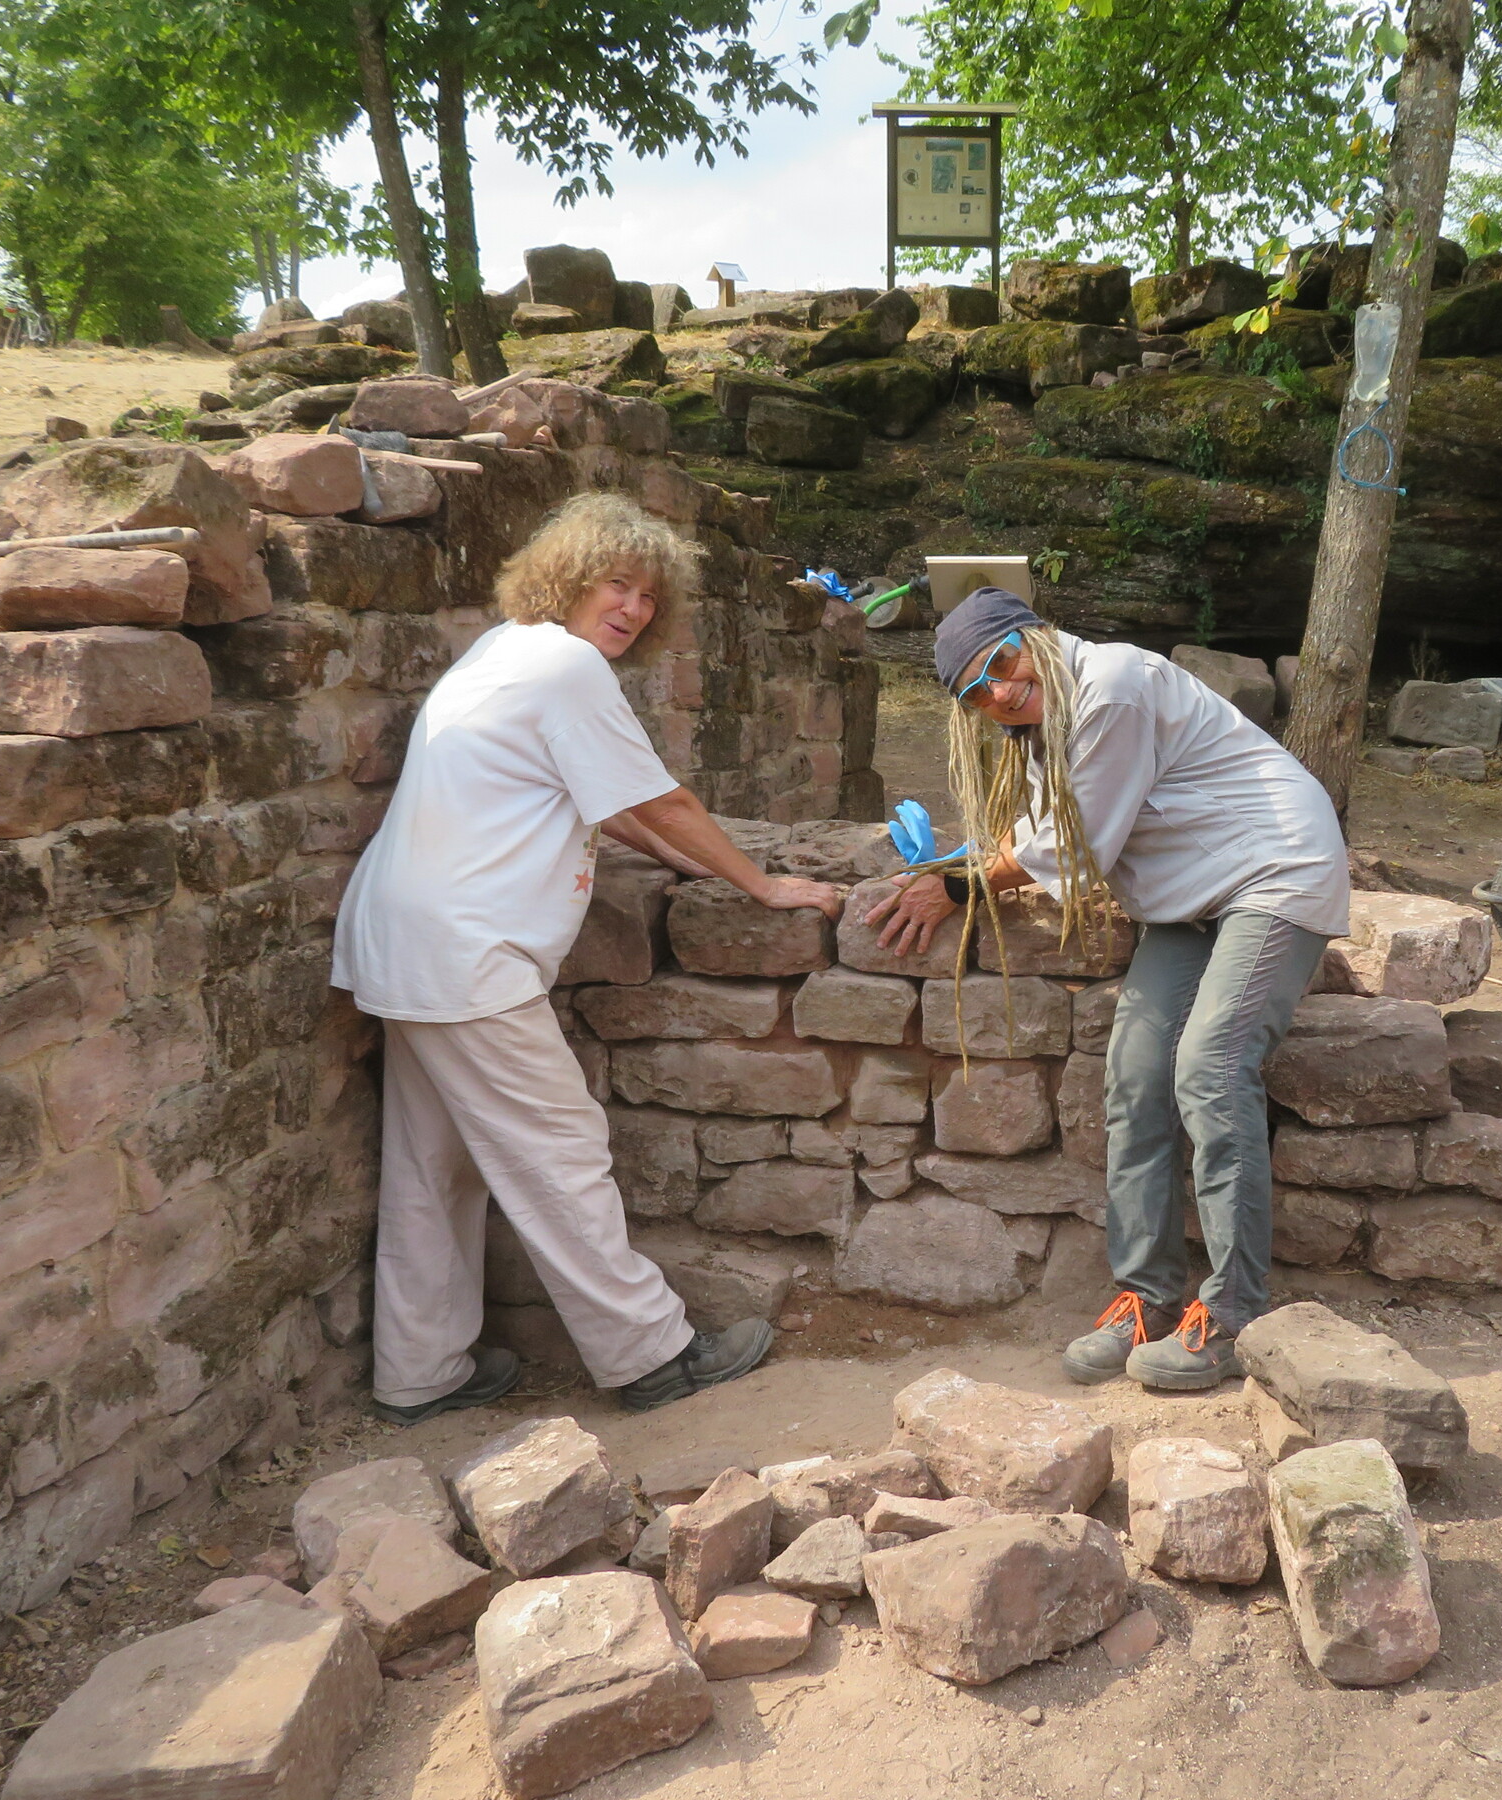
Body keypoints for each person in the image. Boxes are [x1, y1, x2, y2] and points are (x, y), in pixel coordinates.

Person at [331, 492, 847, 1426]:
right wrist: (765, 887)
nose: (634, 609)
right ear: (568, 578)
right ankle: (653, 1357)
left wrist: (698, 864)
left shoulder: (503, 651)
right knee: (561, 1151)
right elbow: (666, 800)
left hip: (403, 941)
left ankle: (420, 1371)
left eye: (649, 596)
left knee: (432, 1163)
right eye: (618, 584)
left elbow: (615, 806)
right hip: (466, 951)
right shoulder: (565, 665)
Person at [870, 589, 1349, 1391]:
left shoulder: (1114, 686)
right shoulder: (1042, 724)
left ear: (1034, 635)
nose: (1001, 692)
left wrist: (956, 887)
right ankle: (1148, 1298)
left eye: (1002, 664)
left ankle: (1234, 1317)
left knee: (1209, 1068)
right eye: (977, 693)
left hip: (1276, 870)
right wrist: (957, 861)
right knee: (1134, 1075)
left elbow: (1074, 846)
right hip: (1191, 895)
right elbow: (1032, 832)